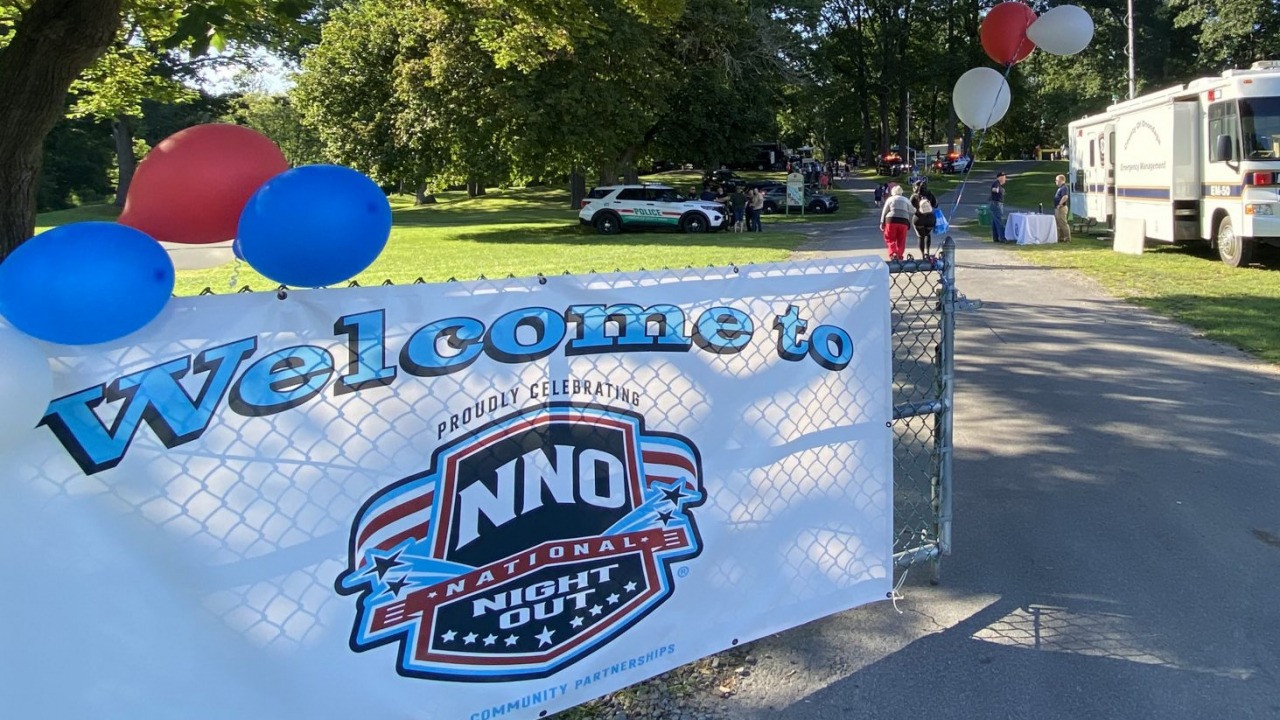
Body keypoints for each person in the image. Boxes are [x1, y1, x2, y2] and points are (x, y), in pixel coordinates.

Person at [880, 185, 913, 262]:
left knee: (889, 238)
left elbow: (884, 211)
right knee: (902, 240)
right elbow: (912, 210)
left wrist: (882, 222)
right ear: (901, 192)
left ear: (892, 192)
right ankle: (900, 256)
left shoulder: (890, 199)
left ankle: (893, 253)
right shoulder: (906, 200)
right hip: (904, 221)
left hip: (891, 220)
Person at [911, 179, 939, 258]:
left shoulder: (914, 196)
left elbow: (910, 207)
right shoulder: (930, 194)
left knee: (921, 236)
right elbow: (936, 205)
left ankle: (922, 254)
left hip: (918, 218)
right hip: (930, 218)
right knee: (928, 235)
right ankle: (928, 252)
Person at [989, 171, 1008, 243]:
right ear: (1000, 177)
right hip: (997, 205)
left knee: (994, 222)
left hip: (995, 204)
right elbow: (994, 189)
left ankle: (995, 238)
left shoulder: (999, 185)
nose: (1005, 179)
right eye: (1004, 177)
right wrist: (997, 190)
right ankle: (1002, 237)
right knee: (999, 221)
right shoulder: (996, 183)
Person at [1053, 174, 1072, 243]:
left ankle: (1067, 238)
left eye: (1057, 180)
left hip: (1062, 208)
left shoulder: (1064, 188)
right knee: (1059, 223)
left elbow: (1065, 196)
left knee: (1063, 223)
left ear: (1061, 180)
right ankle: (1061, 237)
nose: (1056, 182)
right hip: (1058, 208)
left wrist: (1060, 204)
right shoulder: (1060, 188)